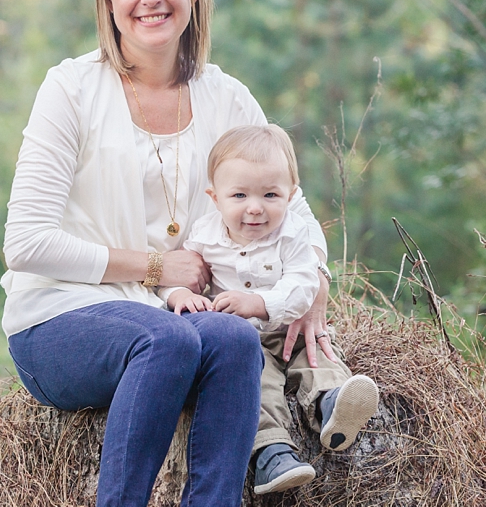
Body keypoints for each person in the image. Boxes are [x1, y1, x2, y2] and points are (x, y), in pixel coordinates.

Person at [0, 0, 336, 507]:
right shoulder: (71, 89)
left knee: (232, 341)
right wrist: (156, 267)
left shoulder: (228, 97)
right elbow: (26, 242)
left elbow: (297, 210)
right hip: (61, 319)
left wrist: (317, 282)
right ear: (107, 2)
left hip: (177, 317)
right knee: (171, 340)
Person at [161, 124, 380, 495]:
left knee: (318, 355)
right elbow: (179, 272)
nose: (255, 207)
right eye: (240, 195)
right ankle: (273, 454)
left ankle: (332, 404)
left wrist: (261, 303)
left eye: (270, 194)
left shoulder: (294, 234)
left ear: (291, 195)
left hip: (285, 325)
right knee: (257, 383)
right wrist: (178, 294)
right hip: (243, 341)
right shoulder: (204, 234)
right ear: (215, 198)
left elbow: (304, 282)